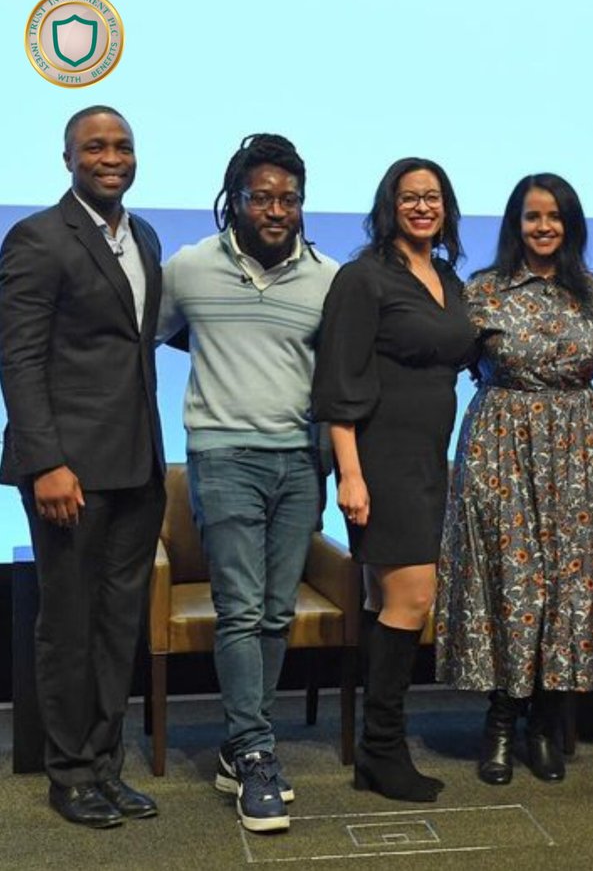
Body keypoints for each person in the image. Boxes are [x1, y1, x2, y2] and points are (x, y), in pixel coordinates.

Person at [437, 173, 593, 785]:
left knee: (568, 586)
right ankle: (501, 722)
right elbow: (440, 359)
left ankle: (548, 724)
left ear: (571, 224)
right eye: (533, 217)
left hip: (582, 452)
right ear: (516, 224)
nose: (544, 226)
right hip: (499, 447)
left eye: (555, 216)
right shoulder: (483, 292)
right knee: (511, 581)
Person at [157, 134, 337, 832]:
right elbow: (164, 331)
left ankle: (240, 744)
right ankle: (259, 753)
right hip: (223, 456)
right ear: (234, 199)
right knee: (238, 610)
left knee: (273, 612)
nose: (276, 210)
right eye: (261, 197)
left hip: (298, 461)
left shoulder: (326, 277)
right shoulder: (190, 268)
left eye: (288, 199)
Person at [0, 106, 165, 828]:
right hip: (69, 473)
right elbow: (20, 358)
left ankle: (105, 766)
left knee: (116, 627)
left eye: (122, 145)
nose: (111, 156)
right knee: (67, 625)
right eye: (95, 146)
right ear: (67, 158)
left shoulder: (146, 236)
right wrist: (46, 463)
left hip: (138, 468)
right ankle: (68, 774)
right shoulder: (38, 238)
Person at [312, 158, 476, 803]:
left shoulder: (448, 278)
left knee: (390, 604)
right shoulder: (363, 278)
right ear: (389, 207)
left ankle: (377, 755)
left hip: (429, 461)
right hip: (379, 462)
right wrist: (349, 476)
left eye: (432, 197)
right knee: (412, 597)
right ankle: (384, 750)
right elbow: (337, 383)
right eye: (409, 197)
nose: (422, 206)